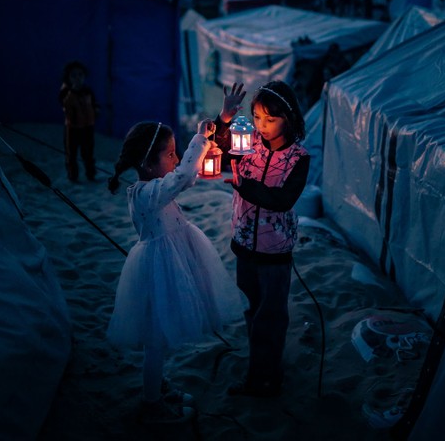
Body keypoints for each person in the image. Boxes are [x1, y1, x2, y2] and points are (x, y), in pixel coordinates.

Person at [106, 120, 241, 424]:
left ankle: (157, 385)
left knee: (160, 339)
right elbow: (182, 178)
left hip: (172, 260)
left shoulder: (155, 188)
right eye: (170, 154)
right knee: (156, 339)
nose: (177, 159)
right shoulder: (146, 194)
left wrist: (207, 135)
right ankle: (152, 401)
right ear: (147, 163)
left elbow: (186, 178)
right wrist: (198, 139)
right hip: (160, 270)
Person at [213, 80, 310, 398]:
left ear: (289, 117)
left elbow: (283, 199)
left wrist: (245, 187)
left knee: (271, 316)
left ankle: (265, 379)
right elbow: (221, 145)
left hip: (275, 251)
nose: (262, 126)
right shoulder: (248, 142)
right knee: (251, 309)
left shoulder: (298, 158)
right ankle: (260, 365)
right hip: (243, 244)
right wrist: (225, 118)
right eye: (257, 117)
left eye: (271, 119)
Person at [59, 60, 98, 182]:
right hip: (72, 128)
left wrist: (96, 111)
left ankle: (90, 174)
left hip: (88, 127)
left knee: (88, 153)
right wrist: (72, 91)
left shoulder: (88, 91)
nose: (78, 78)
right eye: (74, 75)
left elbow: (94, 104)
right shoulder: (66, 91)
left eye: (80, 75)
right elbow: (64, 104)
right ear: (68, 77)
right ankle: (73, 176)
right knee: (71, 154)